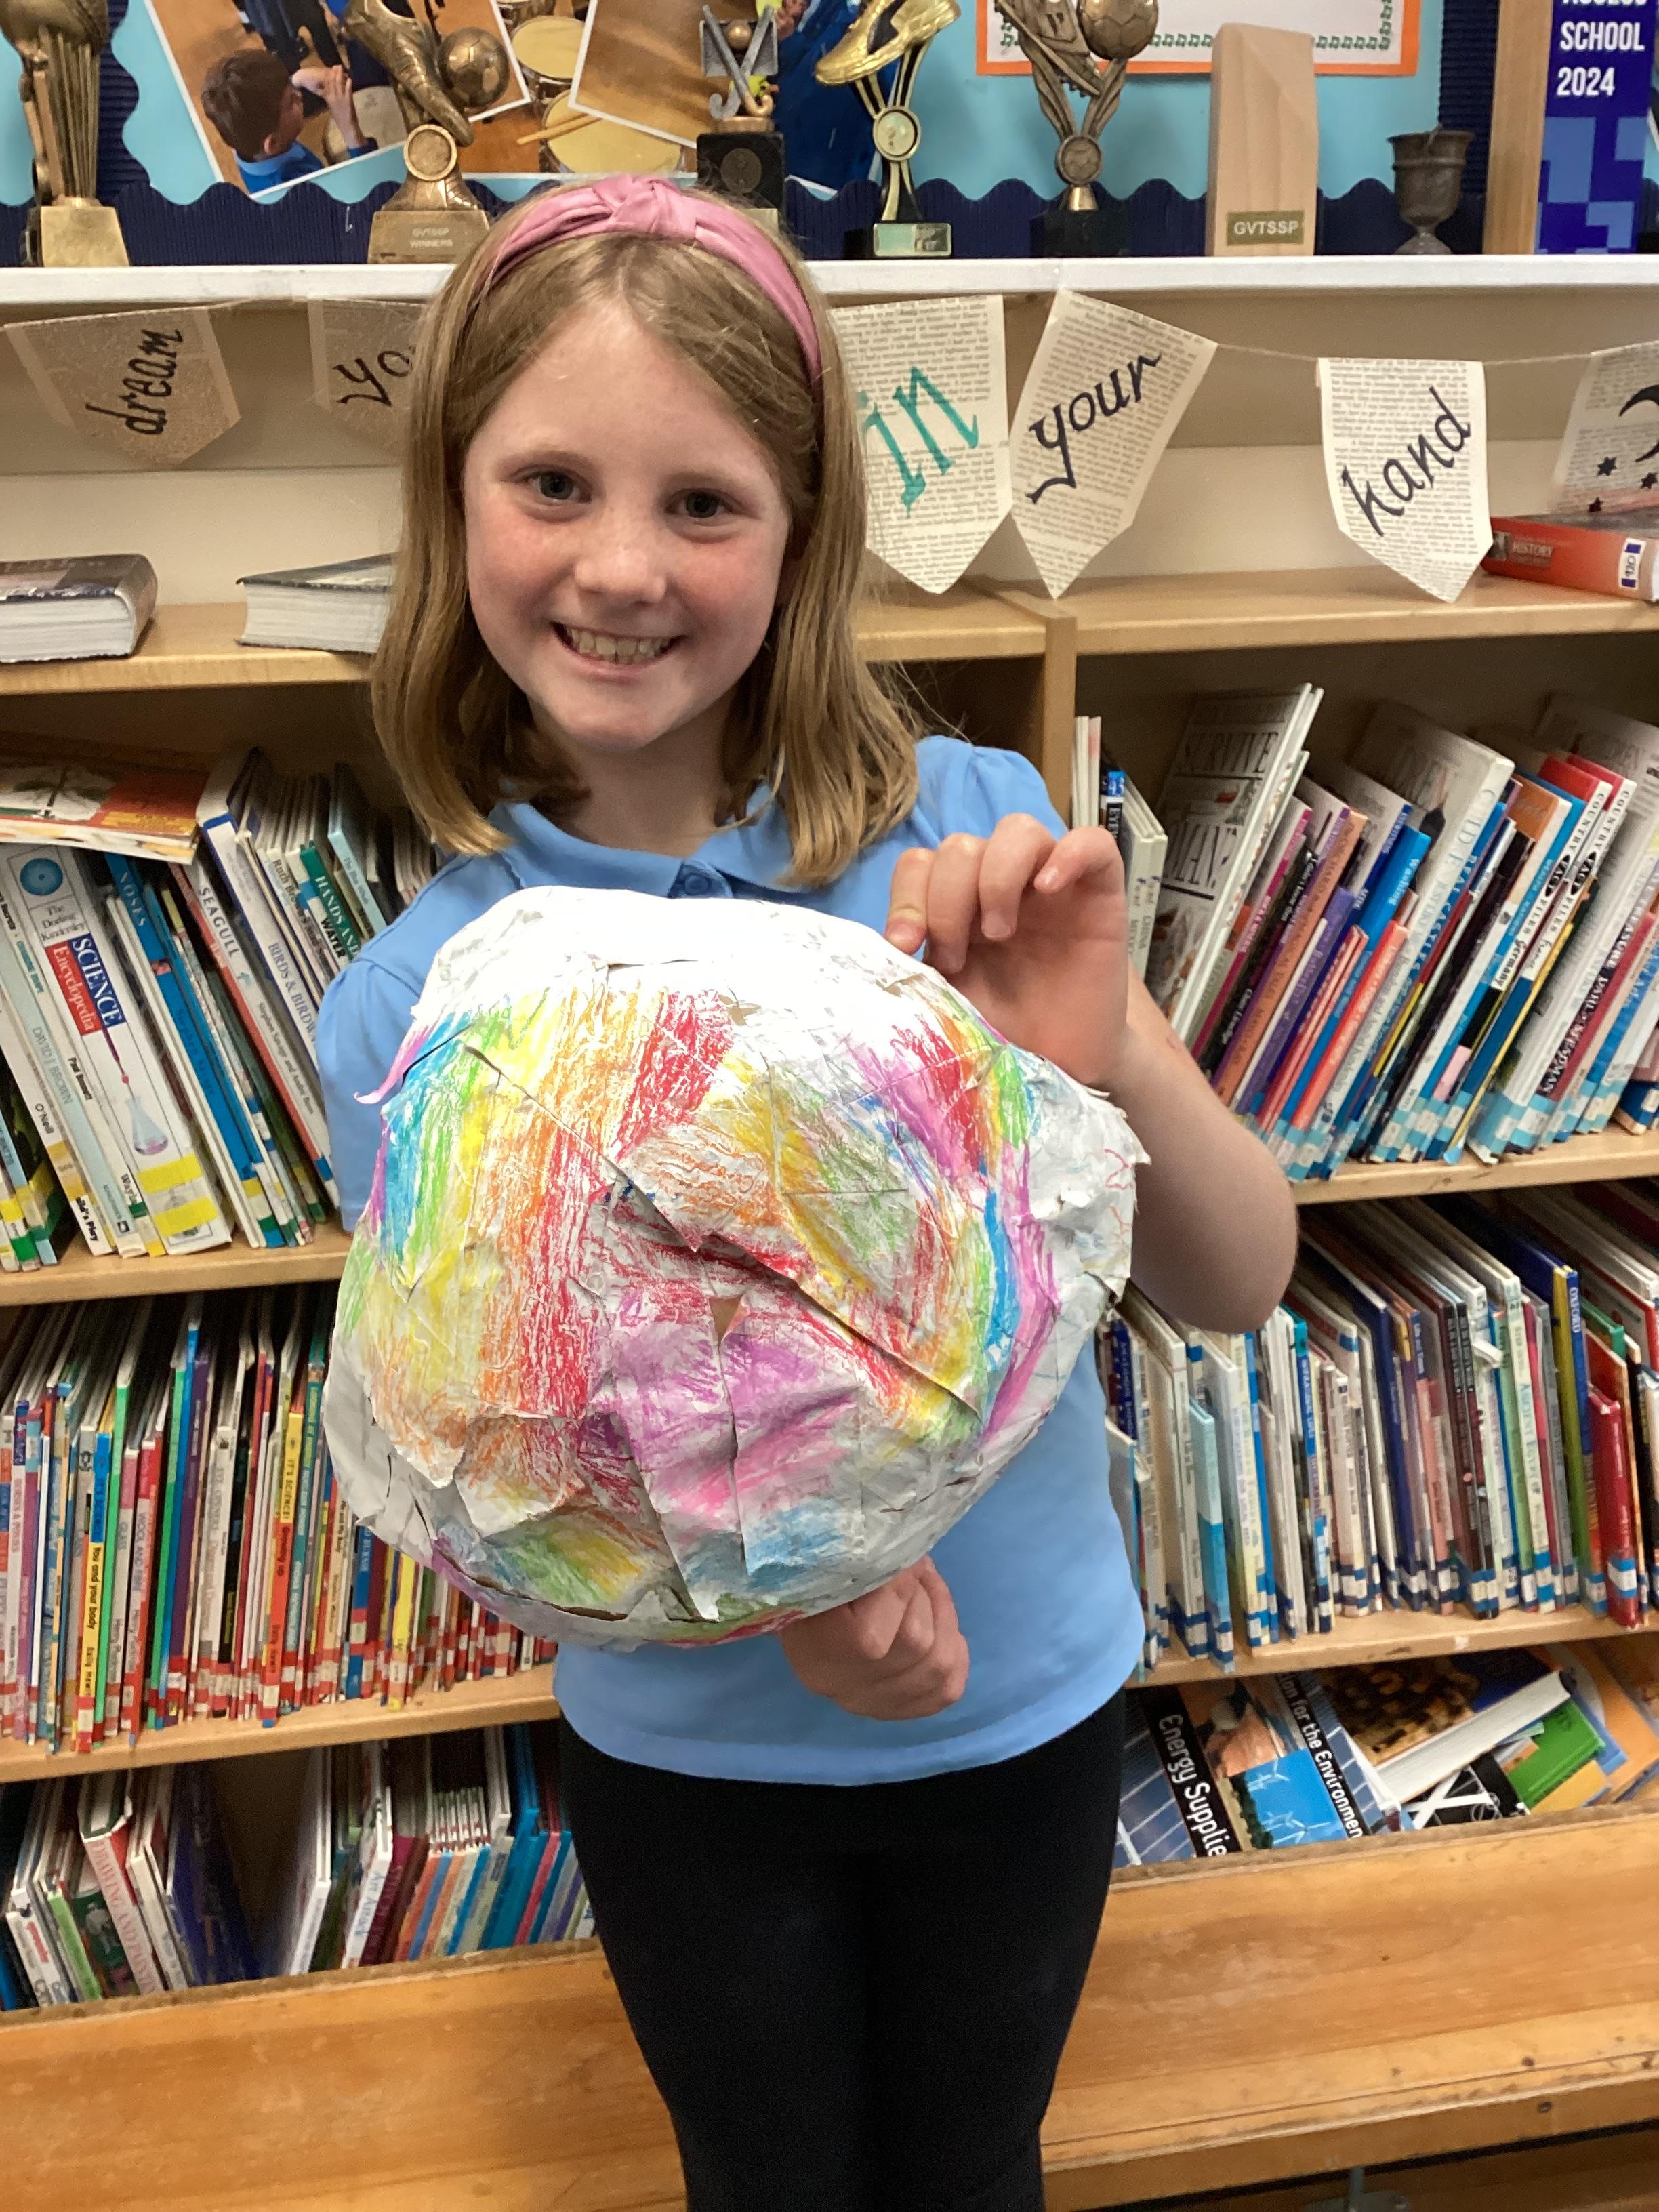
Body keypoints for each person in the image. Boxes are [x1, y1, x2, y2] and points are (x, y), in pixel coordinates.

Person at [316, 176, 1298, 2212]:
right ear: (454, 501)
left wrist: (1105, 1051)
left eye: (704, 502)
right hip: (698, 1763)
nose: (620, 567)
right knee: (763, 2179)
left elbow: (1236, 1275)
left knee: (972, 2169)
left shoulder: (974, 845)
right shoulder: (427, 1004)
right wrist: (796, 1615)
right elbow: (481, 1481)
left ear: (803, 532)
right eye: (553, 483)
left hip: (1018, 1710)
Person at [199, 45, 374, 191]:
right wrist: (349, 130)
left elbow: (262, 108)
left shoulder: (247, 141)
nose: (299, 95)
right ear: (273, 143)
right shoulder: (298, 190)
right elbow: (370, 197)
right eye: (291, 101)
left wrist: (297, 79)